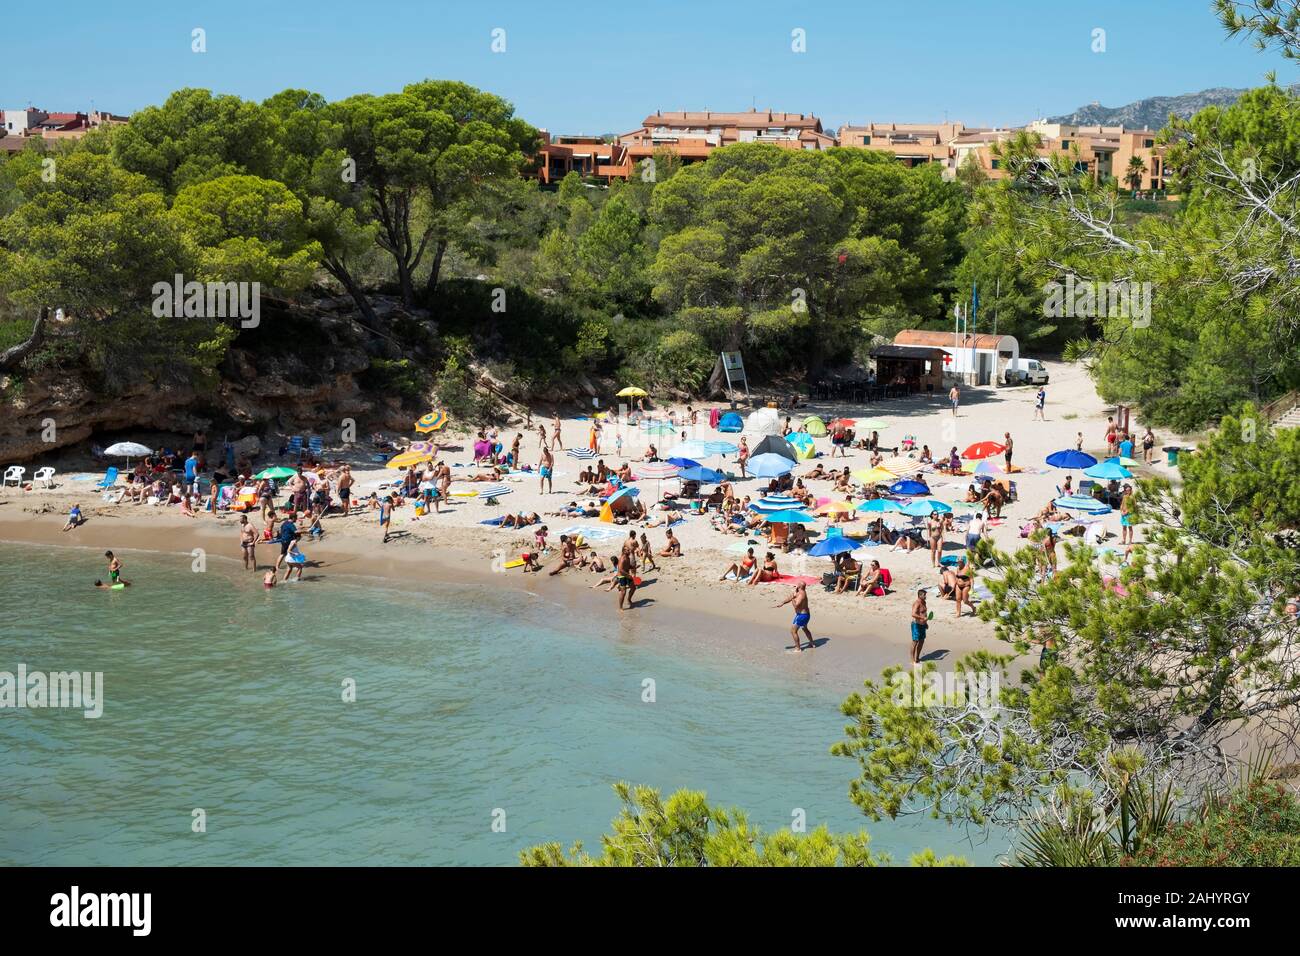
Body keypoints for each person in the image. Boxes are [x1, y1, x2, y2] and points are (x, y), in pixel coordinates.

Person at [775, 582, 814, 652]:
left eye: (798, 584)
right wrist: (782, 603)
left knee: (793, 631)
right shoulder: (798, 591)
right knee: (805, 628)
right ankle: (812, 644)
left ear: (799, 586)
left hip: (802, 616)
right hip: (805, 615)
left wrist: (793, 599)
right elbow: (790, 597)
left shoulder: (802, 594)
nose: (796, 584)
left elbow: (796, 606)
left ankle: (798, 648)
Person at [910, 589, 929, 664]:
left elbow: (924, 613)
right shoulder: (917, 603)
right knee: (915, 642)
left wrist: (926, 623)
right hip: (916, 625)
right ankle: (912, 659)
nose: (925, 596)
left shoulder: (924, 602)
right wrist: (922, 618)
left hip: (923, 625)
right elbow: (913, 614)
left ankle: (917, 658)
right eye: (924, 595)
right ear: (920, 595)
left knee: (921, 641)